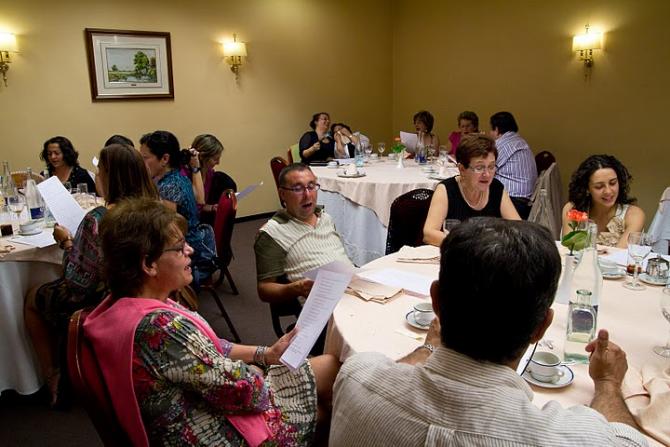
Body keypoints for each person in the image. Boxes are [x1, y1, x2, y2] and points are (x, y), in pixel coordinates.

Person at [331, 218, 648, 446]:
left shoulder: (357, 377)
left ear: (436, 301)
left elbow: (383, 375)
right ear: (542, 326)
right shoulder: (569, 438)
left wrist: (428, 348)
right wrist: (608, 384)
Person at [85, 198, 340, 446]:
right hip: (216, 430)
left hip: (204, 409)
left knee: (325, 383)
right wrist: (256, 370)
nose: (190, 250)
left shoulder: (124, 306)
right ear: (149, 264)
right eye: (179, 247)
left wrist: (266, 354)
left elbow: (212, 347)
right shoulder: (162, 328)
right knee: (330, 387)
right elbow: (245, 391)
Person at [24, 143, 158, 407]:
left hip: (104, 300)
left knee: (32, 297)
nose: (97, 176)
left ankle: (53, 375)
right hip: (144, 293)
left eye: (100, 172)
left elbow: (77, 281)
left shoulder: (99, 219)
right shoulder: (156, 212)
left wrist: (67, 243)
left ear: (111, 177)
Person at [254, 163, 352, 306]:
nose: (307, 195)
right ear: (282, 194)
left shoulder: (325, 217)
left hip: (353, 289)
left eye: (311, 186)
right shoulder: (272, 233)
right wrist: (296, 288)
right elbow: (264, 290)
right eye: (298, 189)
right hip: (323, 304)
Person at [139, 130, 217, 287]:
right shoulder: (177, 176)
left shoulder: (169, 186)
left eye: (145, 158)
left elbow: (167, 230)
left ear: (165, 159)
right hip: (194, 239)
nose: (141, 163)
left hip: (189, 248)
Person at [423, 134, 520, 246]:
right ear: (462, 169)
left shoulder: (496, 188)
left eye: (491, 167)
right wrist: (474, 244)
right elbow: (429, 234)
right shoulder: (446, 190)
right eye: (479, 168)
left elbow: (519, 228)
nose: (487, 174)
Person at [563, 154, 645, 247]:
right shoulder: (573, 210)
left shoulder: (634, 215)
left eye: (613, 183)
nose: (608, 191)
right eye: (599, 186)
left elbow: (620, 253)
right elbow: (569, 249)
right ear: (587, 189)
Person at [490, 111, 537, 219]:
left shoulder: (502, 144)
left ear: (496, 129)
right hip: (526, 199)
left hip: (514, 200)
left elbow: (487, 170)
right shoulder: (519, 141)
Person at [190, 134, 236, 226]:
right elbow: (194, 205)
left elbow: (200, 206)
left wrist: (211, 207)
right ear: (202, 157)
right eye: (215, 159)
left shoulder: (209, 174)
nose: (218, 162)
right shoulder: (185, 176)